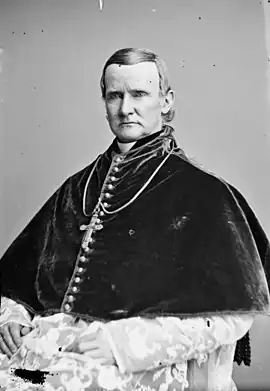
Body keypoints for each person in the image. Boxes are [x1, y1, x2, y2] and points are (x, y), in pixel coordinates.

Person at [0, 47, 269, 391]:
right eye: (115, 96)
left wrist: (124, 345)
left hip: (128, 365)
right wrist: (12, 316)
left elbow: (231, 312)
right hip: (47, 350)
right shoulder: (77, 187)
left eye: (139, 94)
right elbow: (19, 281)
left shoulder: (205, 192)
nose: (126, 109)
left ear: (166, 101)